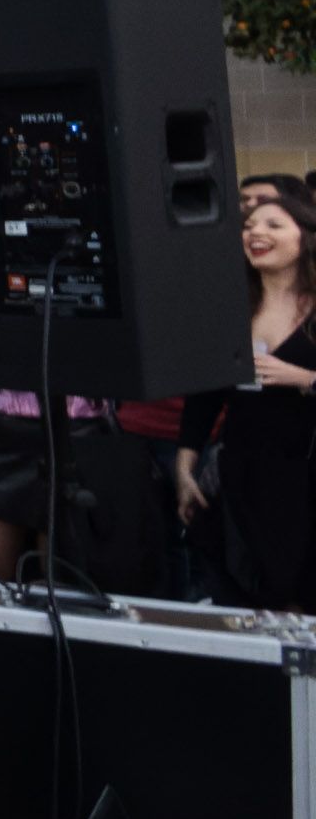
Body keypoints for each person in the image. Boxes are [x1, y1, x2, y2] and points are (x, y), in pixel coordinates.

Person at [177, 191, 316, 611]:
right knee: (245, 593)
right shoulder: (231, 309)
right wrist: (185, 467)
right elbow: (204, 397)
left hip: (305, 479)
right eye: (249, 225)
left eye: (274, 224)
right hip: (244, 478)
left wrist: (307, 378)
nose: (256, 232)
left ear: (305, 238)